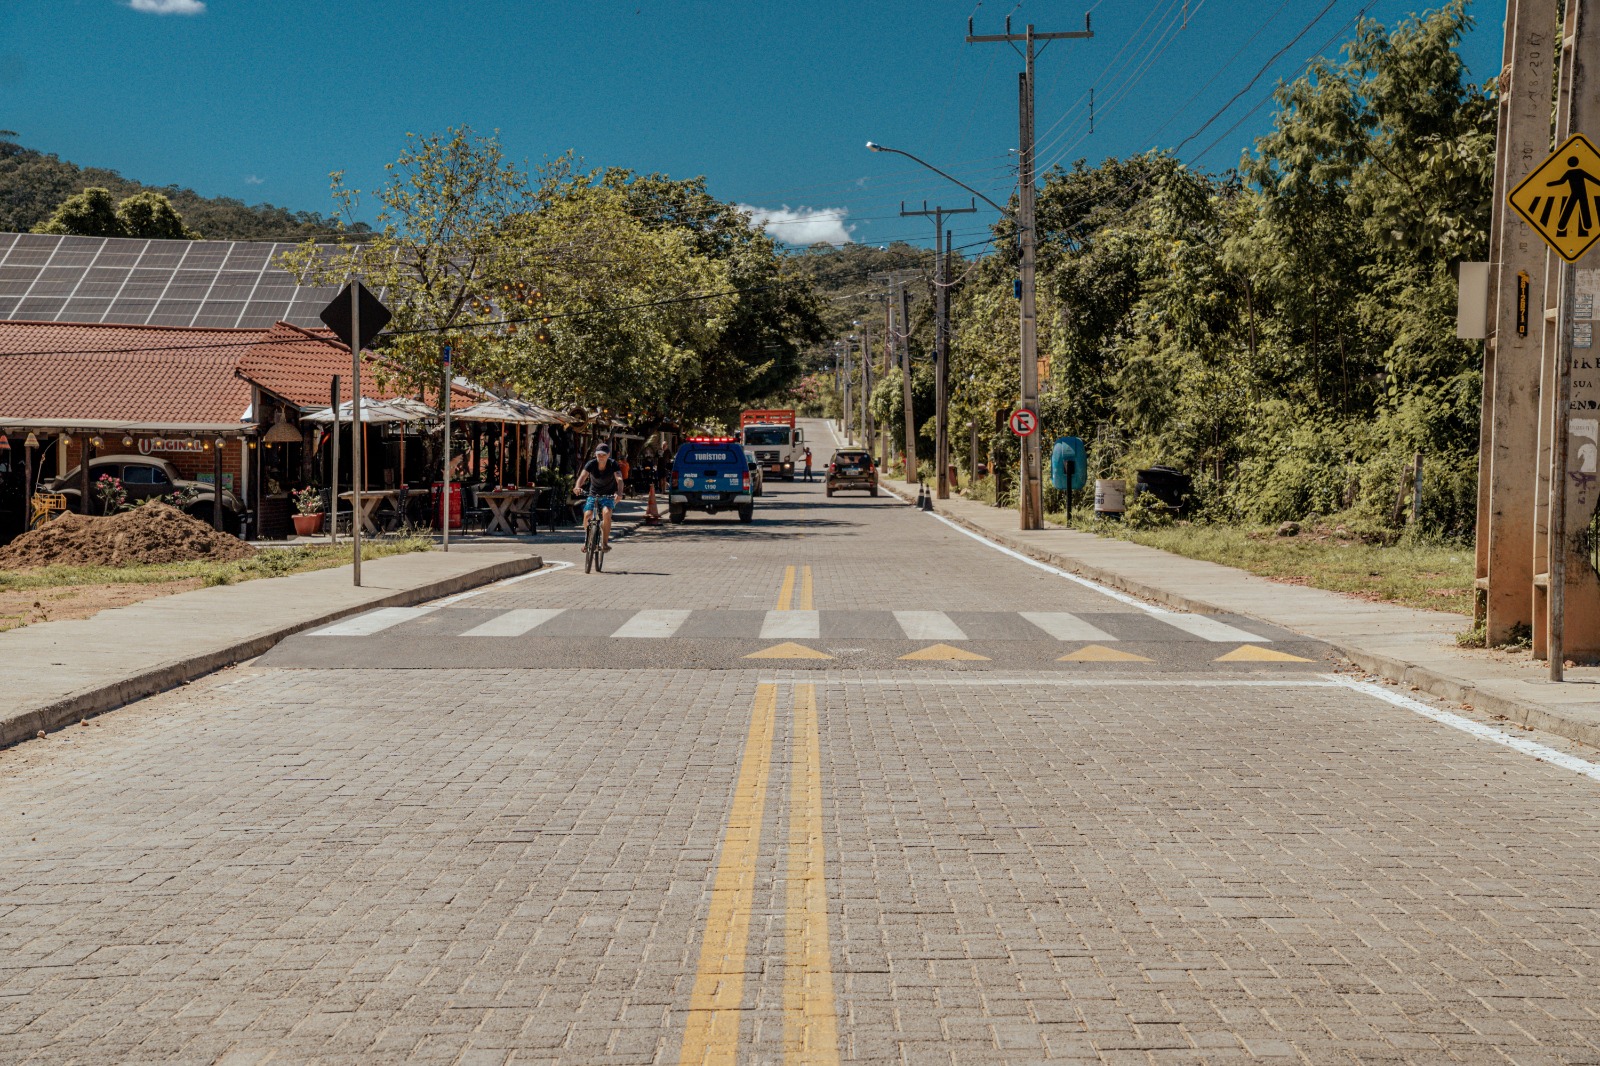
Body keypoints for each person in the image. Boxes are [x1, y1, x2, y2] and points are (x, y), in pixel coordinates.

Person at [574, 443, 623, 551]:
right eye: (599, 454)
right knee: (587, 515)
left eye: (603, 455)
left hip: (608, 495)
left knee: (606, 513)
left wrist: (619, 493)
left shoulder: (613, 464)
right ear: (595, 455)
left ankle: (604, 543)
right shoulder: (591, 464)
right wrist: (577, 486)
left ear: (608, 455)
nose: (601, 457)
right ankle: (588, 540)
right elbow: (582, 476)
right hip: (593, 494)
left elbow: (619, 479)